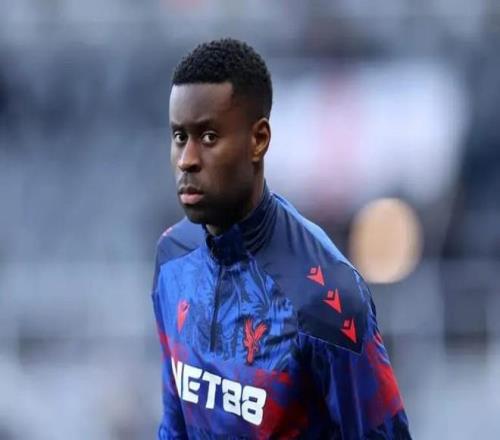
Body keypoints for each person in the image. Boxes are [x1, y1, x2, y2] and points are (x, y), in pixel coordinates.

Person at [151, 38, 411, 439]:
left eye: (209, 137)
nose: (187, 160)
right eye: (179, 137)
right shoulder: (172, 258)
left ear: (258, 140)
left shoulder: (326, 296)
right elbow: (174, 425)